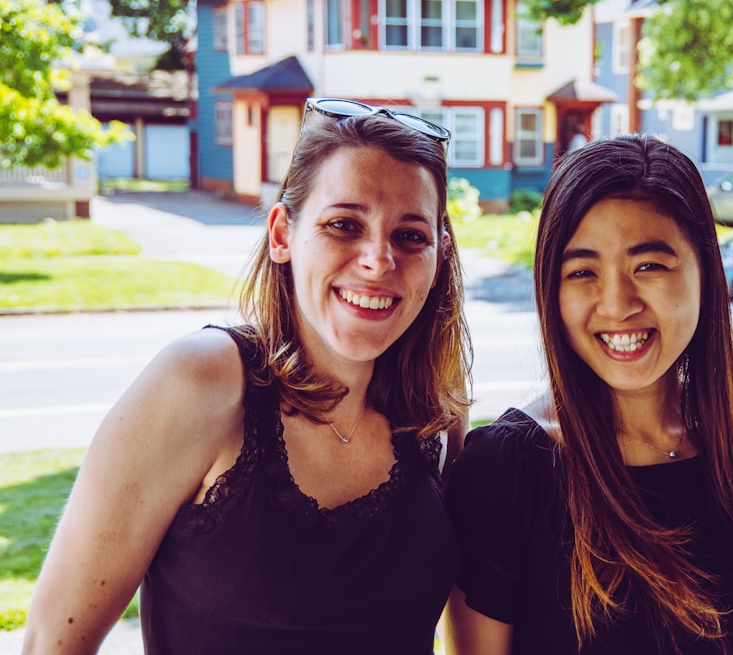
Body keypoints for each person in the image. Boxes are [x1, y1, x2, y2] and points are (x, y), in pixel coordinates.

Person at [23, 99, 471, 655]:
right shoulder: (199, 383)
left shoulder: (438, 417)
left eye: (411, 236)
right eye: (343, 225)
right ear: (283, 233)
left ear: (439, 255)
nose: (378, 260)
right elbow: (51, 643)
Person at [444, 134, 733, 655]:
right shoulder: (505, 470)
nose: (617, 304)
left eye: (649, 265)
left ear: (705, 271)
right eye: (582, 272)